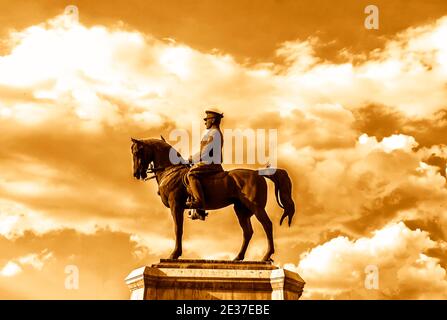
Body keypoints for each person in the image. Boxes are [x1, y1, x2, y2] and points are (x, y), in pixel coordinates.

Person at [186, 109, 224, 219]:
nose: (205, 122)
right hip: (208, 162)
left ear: (212, 120)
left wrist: (190, 159)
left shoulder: (214, 133)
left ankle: (199, 203)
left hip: (211, 164)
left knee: (191, 174)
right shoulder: (212, 133)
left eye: (207, 120)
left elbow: (205, 153)